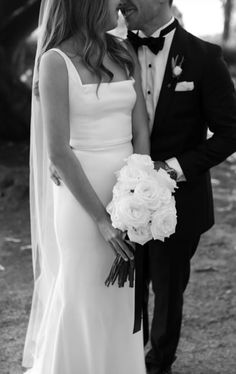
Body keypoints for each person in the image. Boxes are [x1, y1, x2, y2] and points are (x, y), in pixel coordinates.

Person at [22, 0, 150, 373]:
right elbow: (59, 150)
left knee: (120, 297)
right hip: (81, 201)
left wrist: (139, 188)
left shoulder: (123, 50)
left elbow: (140, 126)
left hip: (128, 190)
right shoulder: (55, 62)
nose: (120, 3)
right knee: (82, 291)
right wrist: (101, 219)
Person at [121, 0, 236, 373]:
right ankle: (125, 360)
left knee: (169, 292)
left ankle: (159, 364)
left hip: (180, 202)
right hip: (121, 198)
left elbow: (230, 131)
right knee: (124, 290)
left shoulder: (204, 57)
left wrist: (173, 170)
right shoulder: (110, 51)